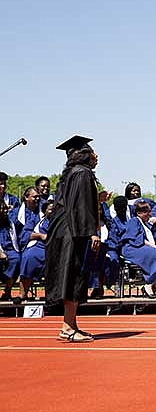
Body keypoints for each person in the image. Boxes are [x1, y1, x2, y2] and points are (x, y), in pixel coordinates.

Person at [45, 135, 101, 343]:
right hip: (74, 234)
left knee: (73, 277)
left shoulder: (70, 174)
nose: (97, 157)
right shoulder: (82, 173)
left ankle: (71, 325)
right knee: (73, 277)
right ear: (85, 155)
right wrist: (92, 232)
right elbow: (80, 207)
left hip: (65, 231)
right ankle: (67, 327)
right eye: (94, 153)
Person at [121, 200, 156, 298]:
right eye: (146, 212)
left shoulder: (146, 224)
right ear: (139, 213)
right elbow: (136, 239)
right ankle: (149, 284)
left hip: (143, 247)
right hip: (133, 248)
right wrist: (154, 247)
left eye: (149, 211)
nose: (149, 214)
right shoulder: (134, 221)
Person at [17, 200, 54, 302]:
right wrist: (40, 235)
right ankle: (22, 294)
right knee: (29, 257)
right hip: (39, 245)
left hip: (55, 247)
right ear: (45, 211)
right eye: (50, 209)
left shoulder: (61, 221)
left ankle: (53, 296)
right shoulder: (36, 219)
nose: (53, 212)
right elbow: (25, 234)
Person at [0, 200, 21, 301]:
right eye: (2, 209)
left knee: (17, 259)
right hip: (0, 250)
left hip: (10, 250)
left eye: (5, 209)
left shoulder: (10, 222)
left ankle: (7, 291)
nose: (4, 211)